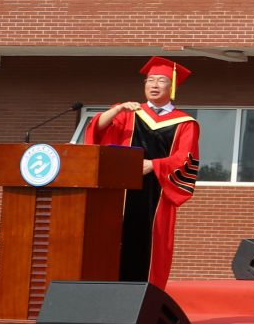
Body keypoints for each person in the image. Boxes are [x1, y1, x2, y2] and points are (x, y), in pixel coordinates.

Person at [83, 56, 200, 288]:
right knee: (116, 242)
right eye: (150, 80)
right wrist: (117, 109)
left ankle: (144, 299)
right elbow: (97, 130)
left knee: (149, 246)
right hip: (120, 192)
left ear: (172, 87)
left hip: (157, 192)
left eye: (161, 81)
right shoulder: (129, 113)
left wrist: (154, 165)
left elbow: (186, 159)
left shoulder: (186, 123)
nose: (154, 85)